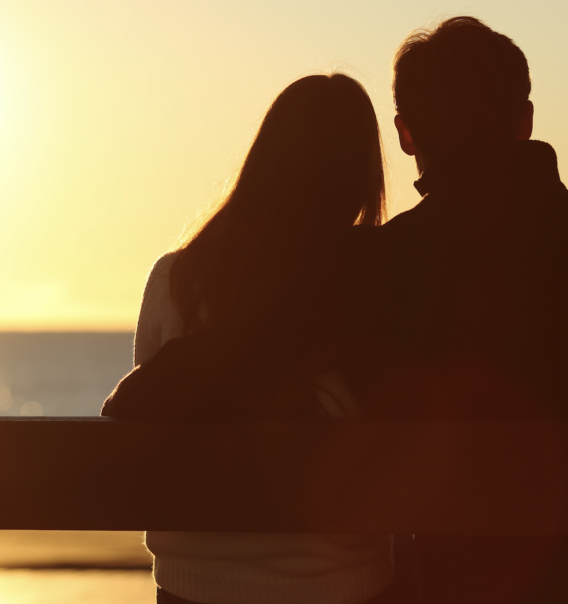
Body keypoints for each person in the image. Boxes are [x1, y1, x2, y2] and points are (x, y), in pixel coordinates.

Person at [106, 17, 568, 603]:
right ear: (525, 119)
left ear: (406, 133)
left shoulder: (384, 263)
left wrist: (148, 391)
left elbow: (215, 368)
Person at [105, 74, 419, 604]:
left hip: (191, 588)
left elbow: (144, 434)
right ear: (359, 174)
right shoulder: (375, 283)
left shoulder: (175, 281)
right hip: (344, 586)